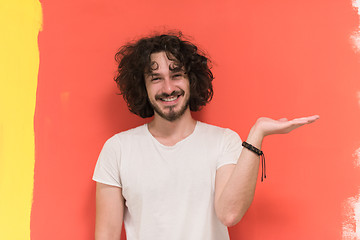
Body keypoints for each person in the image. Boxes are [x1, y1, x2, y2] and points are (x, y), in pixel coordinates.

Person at [92, 32, 319, 240]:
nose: (169, 88)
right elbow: (106, 236)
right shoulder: (118, 149)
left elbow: (229, 214)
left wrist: (257, 134)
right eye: (156, 78)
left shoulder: (224, 141)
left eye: (176, 75)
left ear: (191, 80)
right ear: (143, 86)